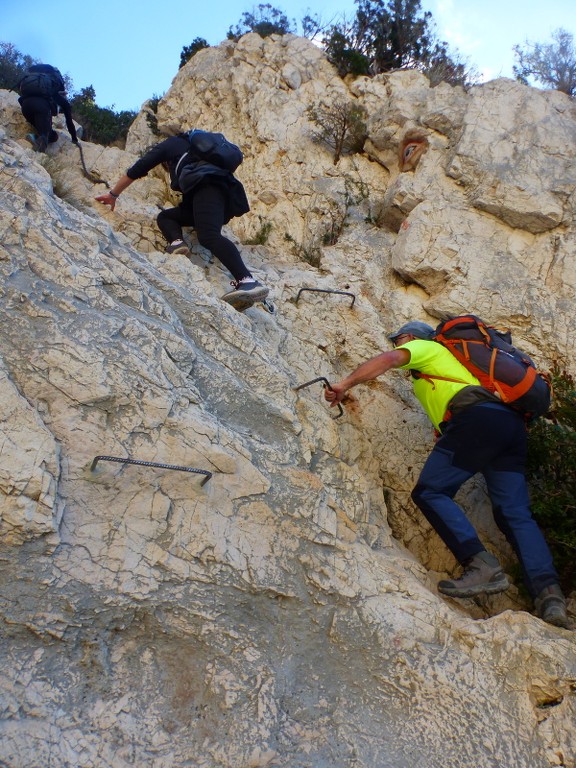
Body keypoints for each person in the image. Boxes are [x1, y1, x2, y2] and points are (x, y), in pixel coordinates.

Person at [325, 320, 570, 629]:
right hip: (510, 427)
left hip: (478, 421)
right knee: (514, 513)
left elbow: (388, 361)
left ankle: (480, 565)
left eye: (398, 339)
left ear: (411, 337)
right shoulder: (455, 366)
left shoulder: (426, 348)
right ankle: (550, 597)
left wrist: (344, 385)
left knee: (430, 491)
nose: (395, 345)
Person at [95, 133, 269, 311]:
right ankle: (177, 243)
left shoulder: (170, 145)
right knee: (166, 217)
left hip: (209, 189)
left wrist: (113, 194)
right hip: (222, 196)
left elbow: (138, 168)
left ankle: (248, 281)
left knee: (208, 236)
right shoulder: (197, 152)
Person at [18, 64, 78, 152]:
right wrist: (74, 139)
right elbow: (69, 122)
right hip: (41, 109)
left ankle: (35, 136)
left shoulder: (34, 88)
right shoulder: (56, 96)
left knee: (40, 124)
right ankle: (38, 144)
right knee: (52, 136)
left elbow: (20, 100)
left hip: (26, 107)